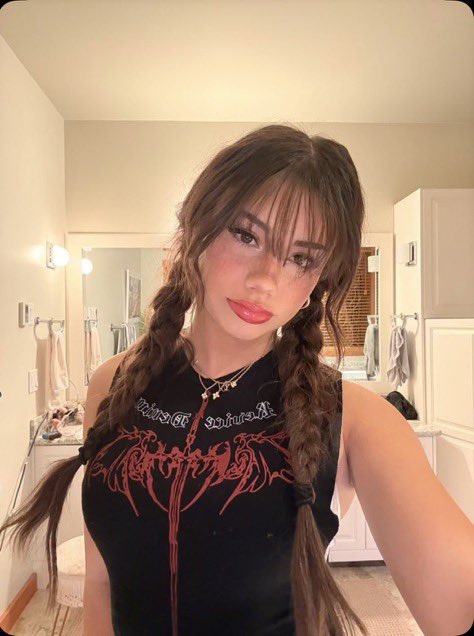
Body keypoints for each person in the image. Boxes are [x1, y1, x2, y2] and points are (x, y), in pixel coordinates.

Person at [1, 124, 473, 636]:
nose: (266, 279)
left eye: (301, 258)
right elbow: (101, 584)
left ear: (319, 279)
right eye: (247, 235)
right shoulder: (112, 384)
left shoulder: (357, 420)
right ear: (197, 226)